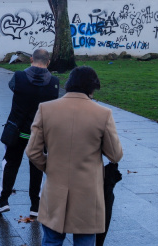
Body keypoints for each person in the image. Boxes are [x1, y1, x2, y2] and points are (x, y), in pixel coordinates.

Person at [25, 66, 123, 246]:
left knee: (52, 240)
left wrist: (50, 167)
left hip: (55, 187)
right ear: (93, 87)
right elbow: (115, 155)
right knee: (85, 240)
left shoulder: (46, 109)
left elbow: (32, 151)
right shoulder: (103, 114)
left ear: (69, 83)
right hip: (88, 192)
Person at [0, 49, 59, 216]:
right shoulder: (54, 83)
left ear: (31, 59)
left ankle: (3, 200)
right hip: (40, 133)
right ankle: (35, 205)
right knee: (37, 167)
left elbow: (12, 88)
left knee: (10, 163)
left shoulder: (19, 77)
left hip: (17, 129)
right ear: (48, 62)